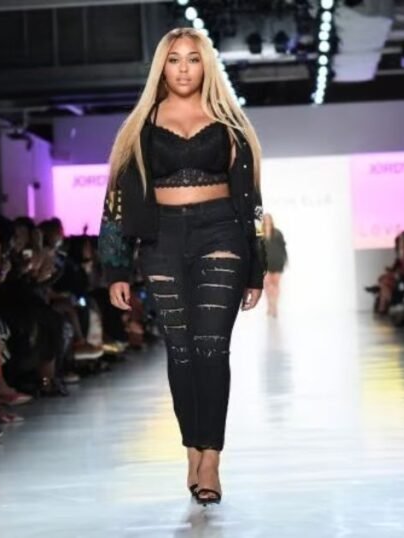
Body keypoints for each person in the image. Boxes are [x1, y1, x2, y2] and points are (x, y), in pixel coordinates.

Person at [98, 28, 266, 506]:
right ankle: (192, 446)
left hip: (221, 234)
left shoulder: (230, 123)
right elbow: (115, 202)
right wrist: (115, 268)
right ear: (162, 67)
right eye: (174, 60)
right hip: (162, 240)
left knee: (212, 348)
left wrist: (257, 268)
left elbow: (253, 202)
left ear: (206, 64)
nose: (184, 68)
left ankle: (210, 458)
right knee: (182, 351)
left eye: (193, 58)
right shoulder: (140, 126)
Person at [262, 213, 288, 318]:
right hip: (265, 265)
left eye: (269, 219)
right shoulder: (260, 235)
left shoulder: (278, 233)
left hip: (277, 263)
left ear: (271, 221)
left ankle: (275, 305)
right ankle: (270, 304)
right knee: (267, 286)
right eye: (265, 220)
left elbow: (283, 248)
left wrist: (285, 260)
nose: (267, 221)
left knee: (275, 285)